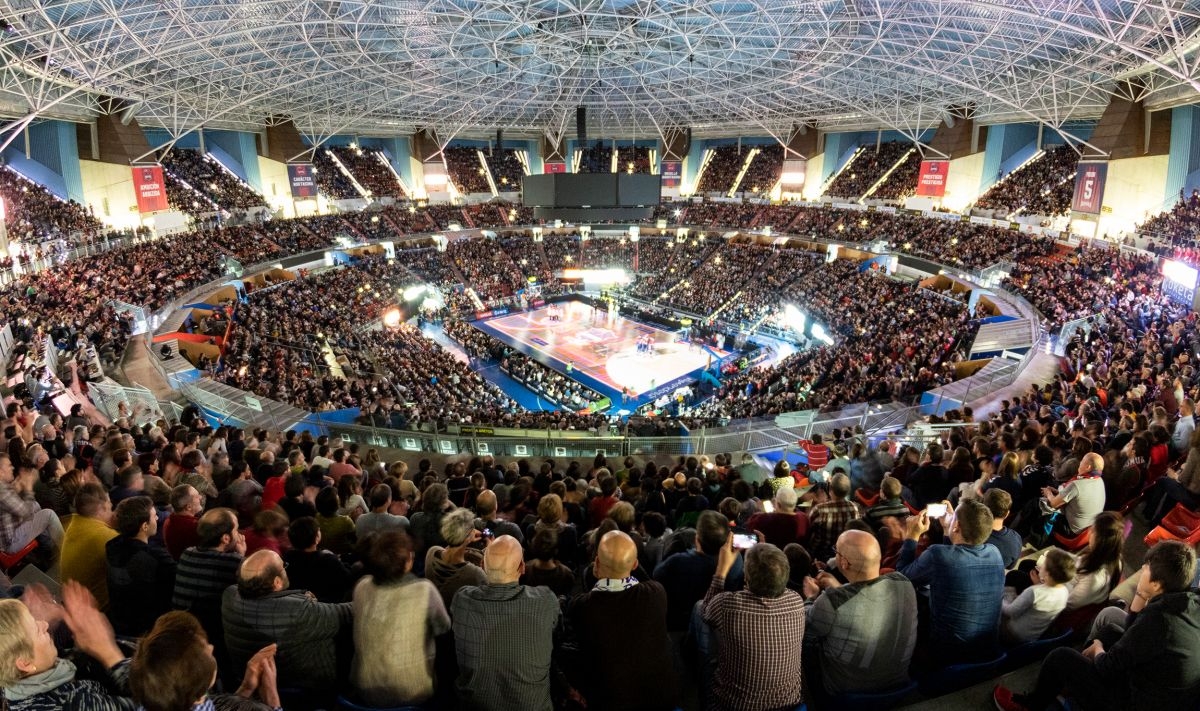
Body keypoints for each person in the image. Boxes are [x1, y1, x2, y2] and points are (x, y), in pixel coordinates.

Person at [995, 540, 1200, 711]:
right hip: (1155, 686)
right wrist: (1140, 594)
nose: (1142, 570)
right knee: (1111, 630)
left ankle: (1031, 705)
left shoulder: (1160, 620)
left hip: (1136, 702)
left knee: (1061, 657)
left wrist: (1099, 650)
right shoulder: (1185, 602)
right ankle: (1072, 685)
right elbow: (1132, 633)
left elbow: (1108, 665)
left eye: (1145, 568)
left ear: (1156, 585)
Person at [567, 531, 680, 711]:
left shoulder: (581, 607)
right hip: (662, 699)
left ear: (595, 562)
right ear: (636, 564)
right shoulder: (656, 593)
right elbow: (643, 578)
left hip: (610, 703)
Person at [802, 529, 918, 698]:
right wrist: (837, 586)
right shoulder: (903, 582)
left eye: (837, 552)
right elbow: (863, 599)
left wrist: (811, 598)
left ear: (843, 563)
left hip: (849, 694)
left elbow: (806, 630)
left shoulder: (830, 600)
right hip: (900, 686)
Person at [450, 535, 559, 711]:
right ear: (522, 567)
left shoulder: (462, 600)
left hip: (474, 706)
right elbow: (555, 630)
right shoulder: (545, 601)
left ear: (483, 566)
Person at [221, 550, 353, 693]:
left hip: (249, 681)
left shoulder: (229, 596)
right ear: (277, 583)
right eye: (283, 566)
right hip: (306, 689)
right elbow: (348, 612)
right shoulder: (299, 610)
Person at [897, 498, 1006, 664]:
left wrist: (912, 536)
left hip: (948, 654)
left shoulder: (937, 555)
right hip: (988, 650)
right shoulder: (995, 552)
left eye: (954, 515)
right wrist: (948, 531)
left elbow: (902, 578)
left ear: (957, 526)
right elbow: (953, 557)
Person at [701, 539, 805, 711]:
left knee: (699, 609)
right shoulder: (797, 601)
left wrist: (721, 570)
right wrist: (765, 554)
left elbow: (706, 611)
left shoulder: (727, 605)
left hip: (732, 706)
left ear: (746, 578)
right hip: (789, 705)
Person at [351, 529, 451, 707]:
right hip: (413, 692)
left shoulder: (361, 586)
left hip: (364, 689)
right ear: (406, 563)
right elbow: (443, 627)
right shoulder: (424, 590)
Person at [0, 582, 132, 710]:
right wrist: (109, 653)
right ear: (25, 663)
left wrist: (79, 648)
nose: (45, 624)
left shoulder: (12, 675)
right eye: (37, 629)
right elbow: (147, 704)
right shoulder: (68, 704)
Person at [130, 612, 281, 711]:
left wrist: (246, 688)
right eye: (207, 654)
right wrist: (273, 700)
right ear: (201, 689)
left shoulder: (158, 696)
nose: (211, 647)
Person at [653, 510, 743, 632]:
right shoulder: (737, 559)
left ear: (697, 540)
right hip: (723, 624)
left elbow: (656, 575)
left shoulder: (678, 562)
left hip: (679, 624)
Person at [106, 496, 177, 637]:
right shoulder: (157, 557)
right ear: (144, 526)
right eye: (154, 516)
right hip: (151, 630)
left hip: (118, 623)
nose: (157, 519)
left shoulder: (111, 546)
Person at [172, 507, 246, 612]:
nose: (238, 534)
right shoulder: (234, 561)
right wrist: (241, 555)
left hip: (179, 620)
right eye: (236, 529)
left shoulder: (187, 553)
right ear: (226, 538)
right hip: (204, 626)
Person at [1000, 549, 1076, 645]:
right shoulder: (1064, 592)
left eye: (1044, 564)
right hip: (1032, 636)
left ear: (1047, 574)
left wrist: (1001, 597)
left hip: (1013, 633)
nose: (1040, 565)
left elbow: (1010, 612)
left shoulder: (1034, 591)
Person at [59, 482, 116, 609]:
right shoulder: (104, 537)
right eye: (110, 507)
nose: (112, 507)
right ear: (101, 508)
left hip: (71, 605)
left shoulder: (74, 523)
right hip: (96, 611)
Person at [0, 454, 64, 558]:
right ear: (1, 472)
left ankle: (47, 547)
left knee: (35, 505)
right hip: (11, 542)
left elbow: (11, 501)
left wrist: (18, 484)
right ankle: (67, 551)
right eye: (9, 465)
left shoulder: (2, 487)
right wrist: (28, 488)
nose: (12, 468)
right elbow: (25, 512)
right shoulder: (1, 491)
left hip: (12, 530)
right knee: (49, 514)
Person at [425, 507, 486, 608]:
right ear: (468, 536)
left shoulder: (432, 552)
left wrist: (466, 538)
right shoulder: (474, 574)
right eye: (472, 529)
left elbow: (451, 547)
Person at [282, 517, 351, 603]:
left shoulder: (287, 557)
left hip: (294, 604)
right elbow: (348, 580)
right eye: (318, 530)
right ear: (317, 537)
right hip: (327, 606)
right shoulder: (329, 560)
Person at [1043, 451, 1106, 536]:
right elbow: (1077, 497)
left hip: (1073, 531)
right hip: (1091, 528)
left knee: (1039, 506)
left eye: (1082, 461)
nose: (1080, 463)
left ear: (1088, 467)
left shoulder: (1076, 485)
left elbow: (1054, 503)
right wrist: (1057, 492)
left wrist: (1048, 493)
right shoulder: (1099, 480)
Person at [807, 473, 861, 560]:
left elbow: (808, 530)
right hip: (842, 553)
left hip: (819, 554)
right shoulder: (853, 507)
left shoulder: (819, 509)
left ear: (830, 489)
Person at [162, 484, 203, 560]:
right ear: (188, 507)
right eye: (197, 497)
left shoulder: (169, 520)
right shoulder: (194, 526)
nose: (201, 497)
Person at [984, 489, 1023, 568]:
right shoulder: (1016, 539)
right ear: (1007, 514)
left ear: (984, 510)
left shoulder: (973, 536)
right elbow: (1011, 566)